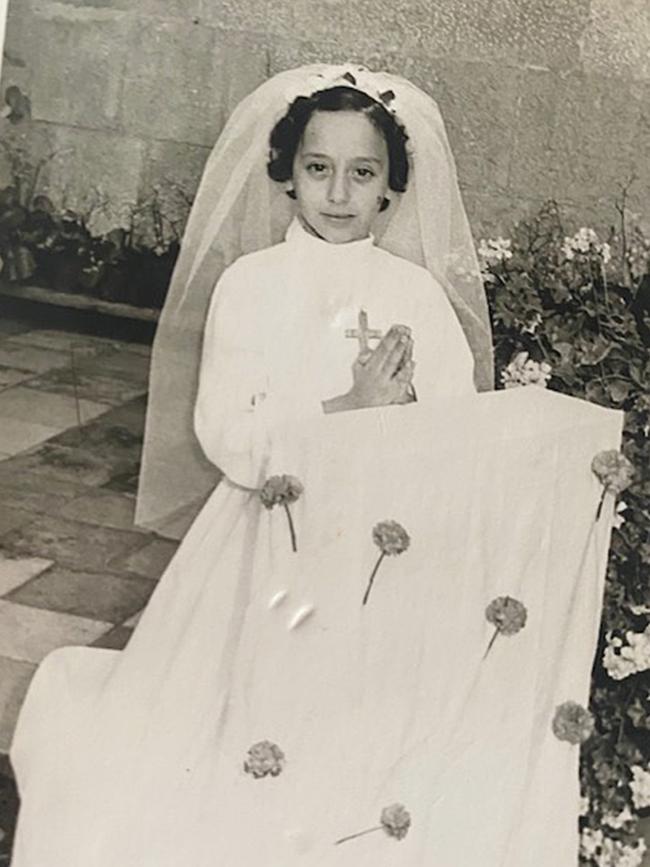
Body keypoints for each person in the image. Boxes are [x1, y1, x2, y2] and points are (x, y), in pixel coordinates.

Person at [9, 65, 617, 867]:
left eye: (362, 173)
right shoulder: (252, 286)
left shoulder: (419, 296)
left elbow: (462, 431)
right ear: (286, 178)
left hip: (387, 556)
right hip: (270, 545)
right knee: (236, 732)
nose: (338, 191)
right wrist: (345, 409)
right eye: (317, 169)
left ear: (391, 191)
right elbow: (226, 431)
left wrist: (426, 424)